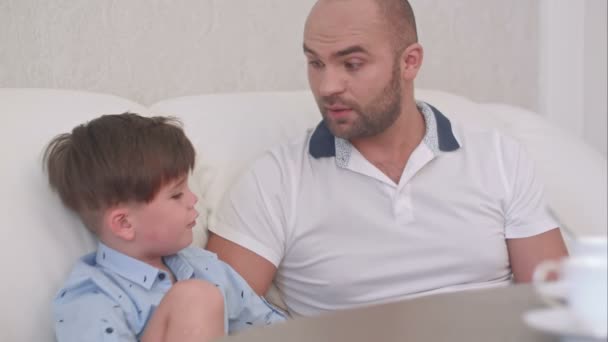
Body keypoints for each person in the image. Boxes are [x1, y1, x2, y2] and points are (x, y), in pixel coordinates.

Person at [206, 0, 568, 316]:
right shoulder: (276, 180)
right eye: (316, 63)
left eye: (352, 63)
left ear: (409, 62)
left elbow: (560, 304)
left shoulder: (498, 158)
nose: (327, 86)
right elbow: (211, 315)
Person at [44, 113, 286, 342]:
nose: (193, 200)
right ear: (124, 223)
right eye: (177, 194)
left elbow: (274, 329)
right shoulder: (93, 297)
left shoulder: (204, 266)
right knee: (195, 297)